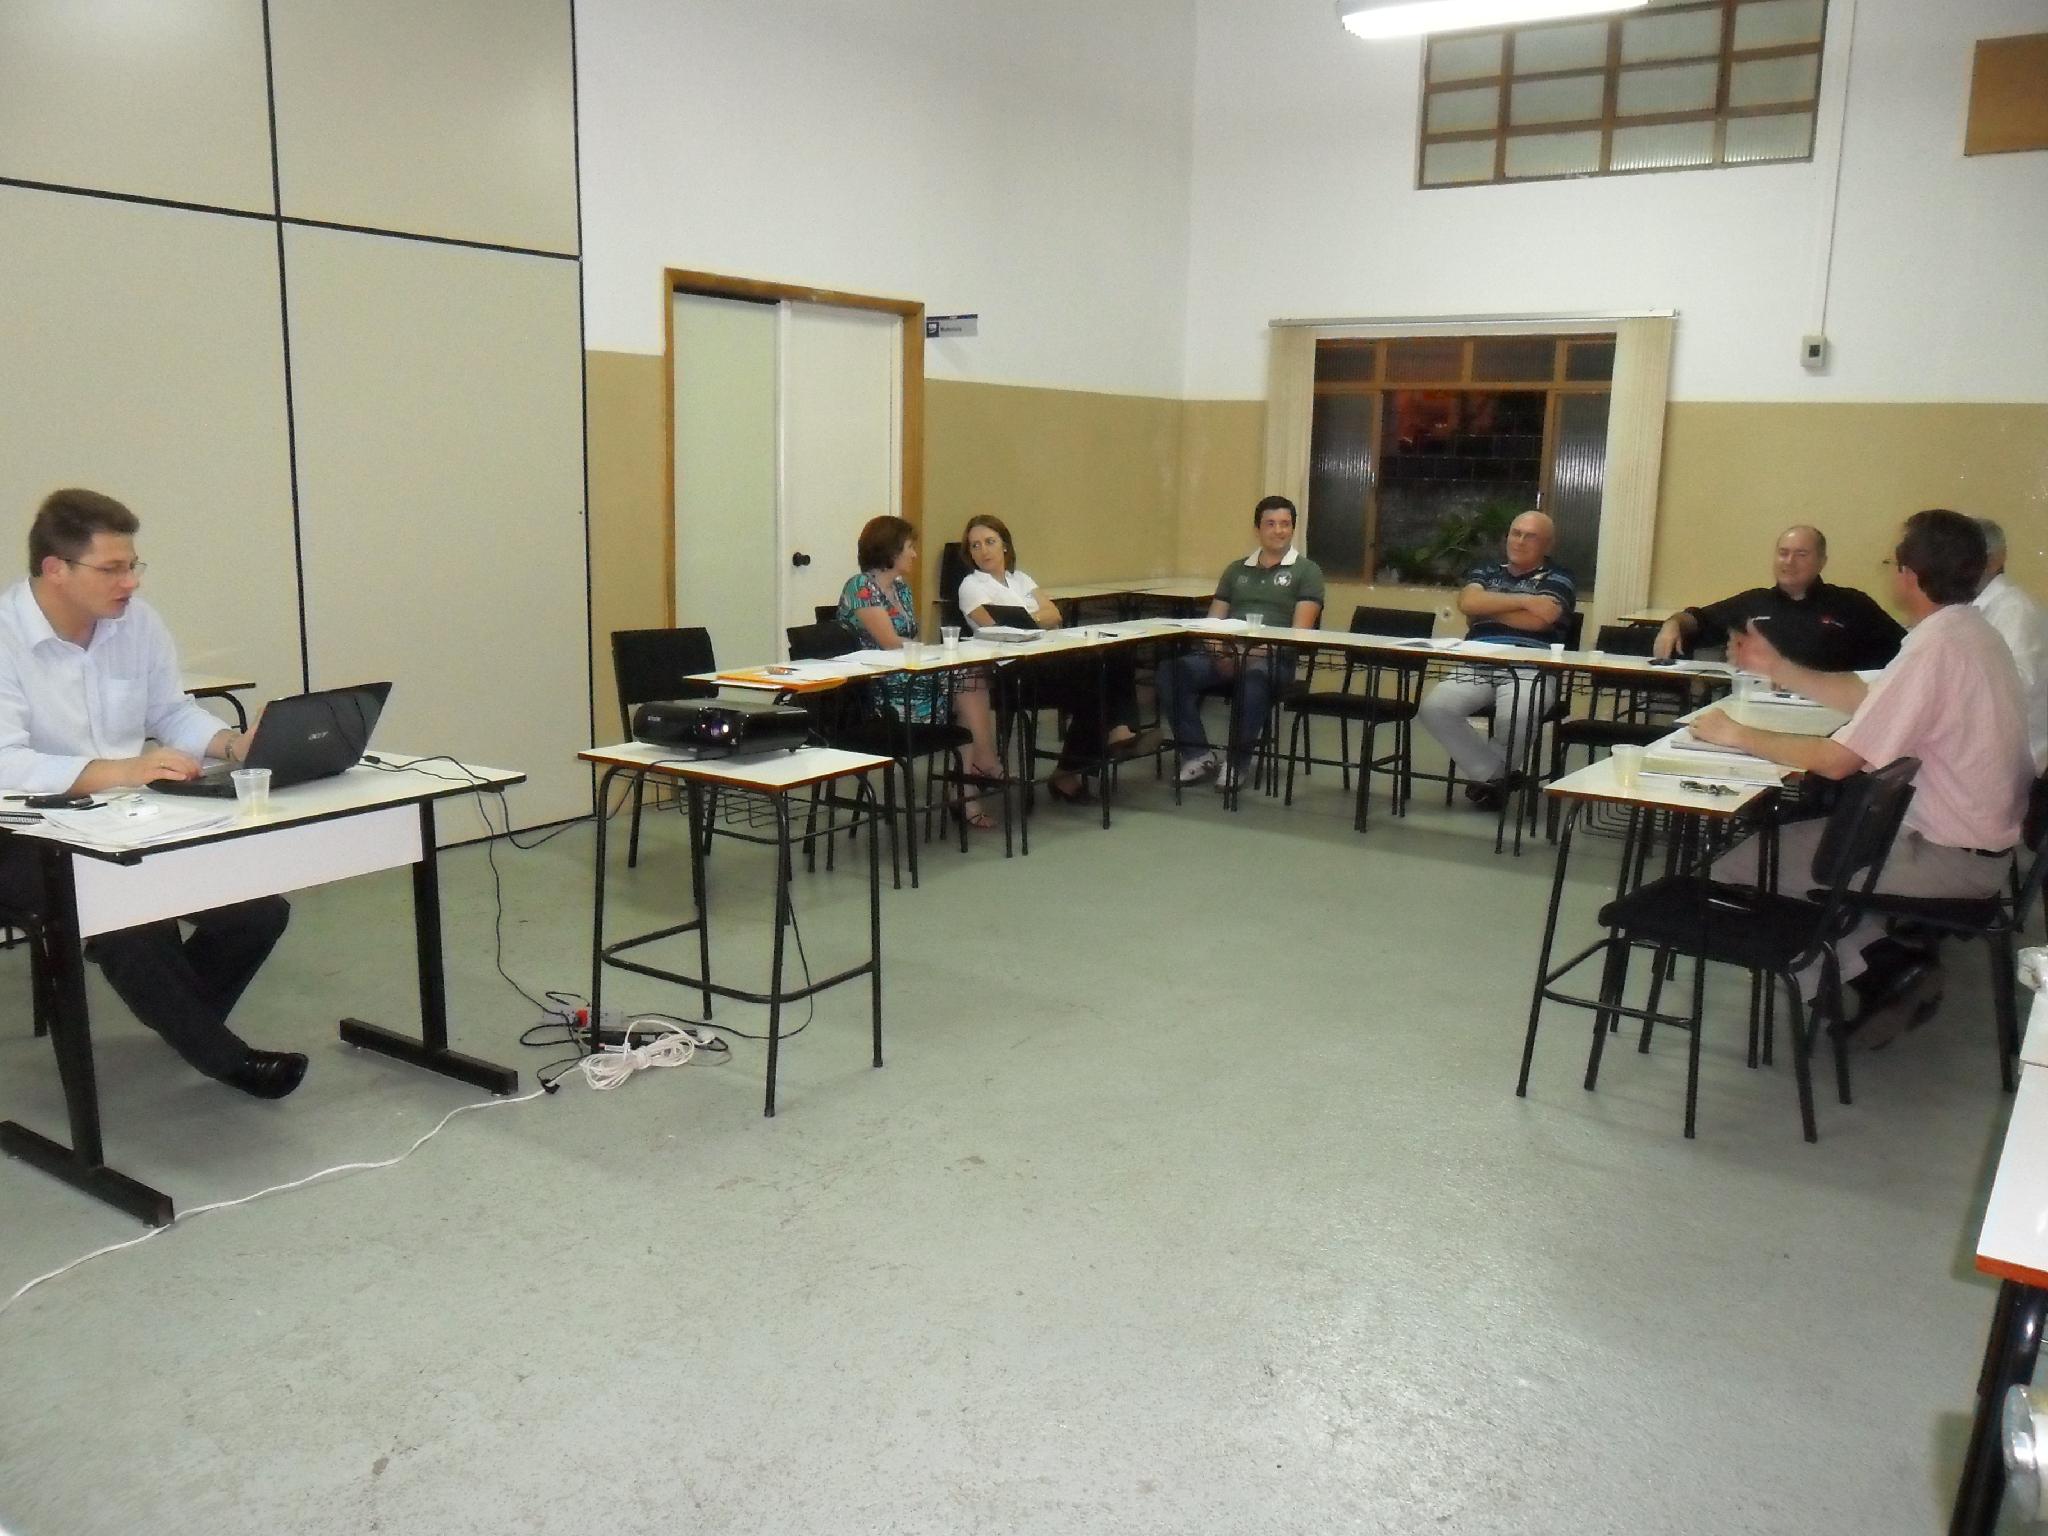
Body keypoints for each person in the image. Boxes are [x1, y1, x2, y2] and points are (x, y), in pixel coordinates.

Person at [0, 489, 303, 1098]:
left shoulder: (135, 623)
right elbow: (7, 764)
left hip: (121, 818)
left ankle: (181, 1018)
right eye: (112, 568)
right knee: (132, 925)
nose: (130, 582)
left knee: (258, 912)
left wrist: (232, 744)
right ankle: (225, 1059)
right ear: (56, 569)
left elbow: (170, 712)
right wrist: (124, 770)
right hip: (21, 834)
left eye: (133, 565)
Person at [1692, 509, 2034, 1047]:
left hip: (1947, 858)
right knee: (1791, 848)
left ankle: (1863, 980)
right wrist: (1780, 668)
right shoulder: (1970, 632)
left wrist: (1736, 733)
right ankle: (1887, 969)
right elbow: (1873, 698)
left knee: (1739, 866)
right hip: (1974, 846)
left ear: (1908, 574)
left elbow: (1837, 761)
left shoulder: (1938, 646)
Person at [955, 514, 1151, 803]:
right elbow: (996, 627)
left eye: (990, 542)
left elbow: (1054, 615)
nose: (983, 550)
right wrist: (1034, 620)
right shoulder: (971, 585)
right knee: (1097, 676)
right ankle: (1102, 743)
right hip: (1012, 672)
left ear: (1005, 545)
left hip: (1046, 659)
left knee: (1114, 656)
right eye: (975, 545)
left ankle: (1110, 737)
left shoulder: (1021, 579)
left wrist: (1025, 621)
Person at [837, 514, 1005, 829]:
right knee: (966, 682)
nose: (915, 554)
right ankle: (978, 770)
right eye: (909, 547)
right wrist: (932, 651)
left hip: (909, 674)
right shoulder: (860, 586)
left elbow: (909, 641)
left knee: (970, 677)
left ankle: (968, 783)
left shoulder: (901, 589)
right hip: (880, 687)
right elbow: (890, 642)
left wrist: (930, 652)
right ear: (890, 550)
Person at [1157, 495, 1325, 792]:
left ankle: (1237, 763)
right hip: (1226, 654)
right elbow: (1212, 623)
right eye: (1270, 524)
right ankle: (1197, 754)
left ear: (1293, 528)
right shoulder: (1236, 570)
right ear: (1257, 529)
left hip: (1274, 659)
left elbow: (1298, 633)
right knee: (1172, 671)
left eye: (1285, 524)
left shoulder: (1307, 571)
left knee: (1253, 681)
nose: (1278, 530)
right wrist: (1220, 652)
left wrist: (1245, 656)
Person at [1416, 510, 1576, 811]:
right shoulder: (1487, 570)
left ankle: (1490, 780)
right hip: (1477, 660)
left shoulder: (1560, 577)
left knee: (1516, 715)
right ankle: (1496, 777)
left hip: (1531, 666)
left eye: (1530, 536)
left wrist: (1488, 608)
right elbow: (1467, 602)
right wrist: (1526, 600)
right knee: (1435, 709)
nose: (1520, 541)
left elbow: (1541, 621)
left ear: (1548, 545)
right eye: (1516, 533)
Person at [1654, 524, 1903, 671]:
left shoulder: (1852, 605)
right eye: (1783, 553)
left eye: (1801, 554)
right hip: (1756, 707)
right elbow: (1699, 619)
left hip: (1830, 712)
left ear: (1822, 562)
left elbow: (1902, 652)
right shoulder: (1753, 603)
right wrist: (1674, 623)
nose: (1789, 562)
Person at [1973, 516, 2047, 772]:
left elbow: (2016, 692)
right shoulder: (1968, 608)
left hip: (2018, 761)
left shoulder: (2016, 610)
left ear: (1995, 560)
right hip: (1989, 750)